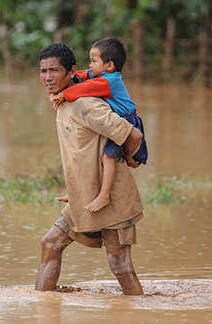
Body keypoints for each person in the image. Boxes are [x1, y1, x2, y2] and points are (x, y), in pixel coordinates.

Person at [35, 43, 144, 295]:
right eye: (43, 71)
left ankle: (139, 314)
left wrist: (129, 159)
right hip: (84, 199)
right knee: (50, 244)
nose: (48, 78)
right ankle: (42, 309)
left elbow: (133, 134)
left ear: (72, 71)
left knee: (120, 266)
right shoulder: (63, 101)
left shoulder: (87, 105)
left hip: (114, 199)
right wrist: (75, 189)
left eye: (54, 70)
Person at [49, 37, 147, 213]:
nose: (90, 64)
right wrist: (65, 74)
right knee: (91, 157)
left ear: (109, 65)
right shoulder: (101, 74)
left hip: (127, 120)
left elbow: (84, 89)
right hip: (118, 118)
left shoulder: (108, 82)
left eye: (94, 61)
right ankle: (78, 192)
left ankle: (104, 195)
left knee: (107, 157)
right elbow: (83, 74)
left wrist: (63, 95)